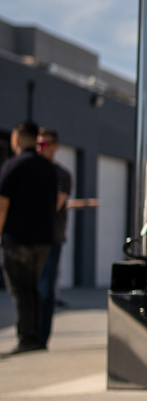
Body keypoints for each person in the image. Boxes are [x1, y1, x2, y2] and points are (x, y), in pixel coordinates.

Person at [0, 121, 61, 353]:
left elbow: (2, 206)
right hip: (43, 240)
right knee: (34, 289)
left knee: (20, 291)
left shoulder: (12, 166)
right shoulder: (48, 168)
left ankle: (27, 339)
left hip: (17, 241)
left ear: (16, 139)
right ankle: (36, 338)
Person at [35, 128, 72, 349]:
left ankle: (41, 337)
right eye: (38, 144)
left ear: (55, 146)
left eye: (45, 144)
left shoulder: (62, 175)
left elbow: (54, 206)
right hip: (29, 238)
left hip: (51, 238)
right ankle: (29, 335)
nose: (41, 148)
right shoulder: (32, 170)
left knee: (45, 287)